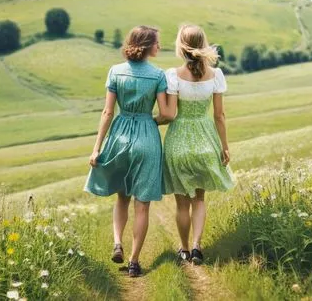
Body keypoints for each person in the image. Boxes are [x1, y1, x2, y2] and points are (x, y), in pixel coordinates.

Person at [84, 25, 173, 277]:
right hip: (147, 138)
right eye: (157, 43)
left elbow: (107, 112)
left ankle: (117, 243)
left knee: (121, 197)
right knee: (142, 206)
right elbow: (166, 114)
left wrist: (96, 148)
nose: (159, 46)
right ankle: (134, 262)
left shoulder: (115, 71)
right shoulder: (158, 75)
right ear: (147, 46)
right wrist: (150, 121)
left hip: (120, 136)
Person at [156, 24, 235, 265]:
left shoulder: (173, 75)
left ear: (181, 46)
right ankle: (197, 247)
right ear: (203, 45)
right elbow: (219, 116)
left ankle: (183, 249)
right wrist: (224, 146)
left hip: (178, 142)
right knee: (199, 200)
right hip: (205, 142)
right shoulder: (216, 76)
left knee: (182, 204)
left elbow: (168, 113)